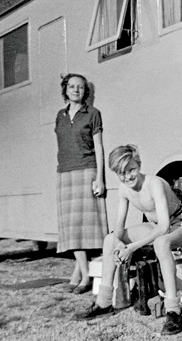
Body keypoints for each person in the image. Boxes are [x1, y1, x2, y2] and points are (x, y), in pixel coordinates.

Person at [76, 144, 182, 336]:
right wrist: (118, 245)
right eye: (121, 173)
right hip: (156, 227)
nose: (127, 177)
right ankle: (104, 303)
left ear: (139, 165)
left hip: (181, 224)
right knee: (109, 240)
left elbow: (164, 227)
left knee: (161, 243)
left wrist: (131, 248)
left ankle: (174, 310)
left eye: (131, 170)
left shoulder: (154, 184)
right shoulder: (124, 190)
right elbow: (119, 225)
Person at [55, 73, 108, 295]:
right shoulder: (60, 115)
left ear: (85, 92)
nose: (76, 90)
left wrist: (100, 178)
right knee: (72, 227)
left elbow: (99, 148)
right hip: (65, 173)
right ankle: (79, 273)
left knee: (83, 227)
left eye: (80, 87)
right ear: (65, 90)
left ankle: (84, 276)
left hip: (87, 171)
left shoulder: (93, 114)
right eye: (72, 86)